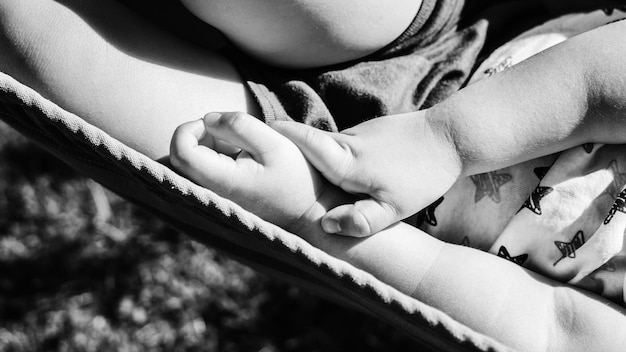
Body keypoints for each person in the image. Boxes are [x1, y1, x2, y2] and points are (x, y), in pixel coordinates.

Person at [1, 0, 626, 350]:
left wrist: (308, 211)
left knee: (42, 51)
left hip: (343, 195)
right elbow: (606, 78)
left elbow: (546, 326)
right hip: (467, 47)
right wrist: (449, 138)